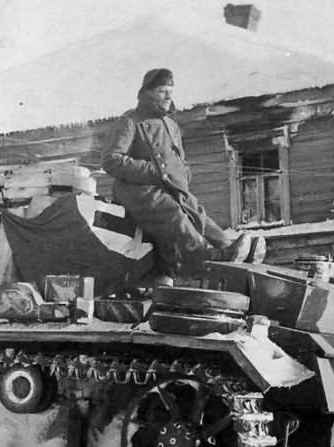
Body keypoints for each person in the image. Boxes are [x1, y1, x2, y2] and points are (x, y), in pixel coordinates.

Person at [101, 67, 265, 285]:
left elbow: (179, 160)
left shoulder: (171, 125)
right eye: (162, 91)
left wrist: (183, 174)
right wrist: (154, 171)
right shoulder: (130, 122)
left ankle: (230, 247)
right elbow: (111, 159)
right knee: (173, 213)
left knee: (196, 212)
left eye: (170, 90)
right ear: (147, 93)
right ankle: (206, 255)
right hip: (137, 190)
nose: (169, 96)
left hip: (170, 184)